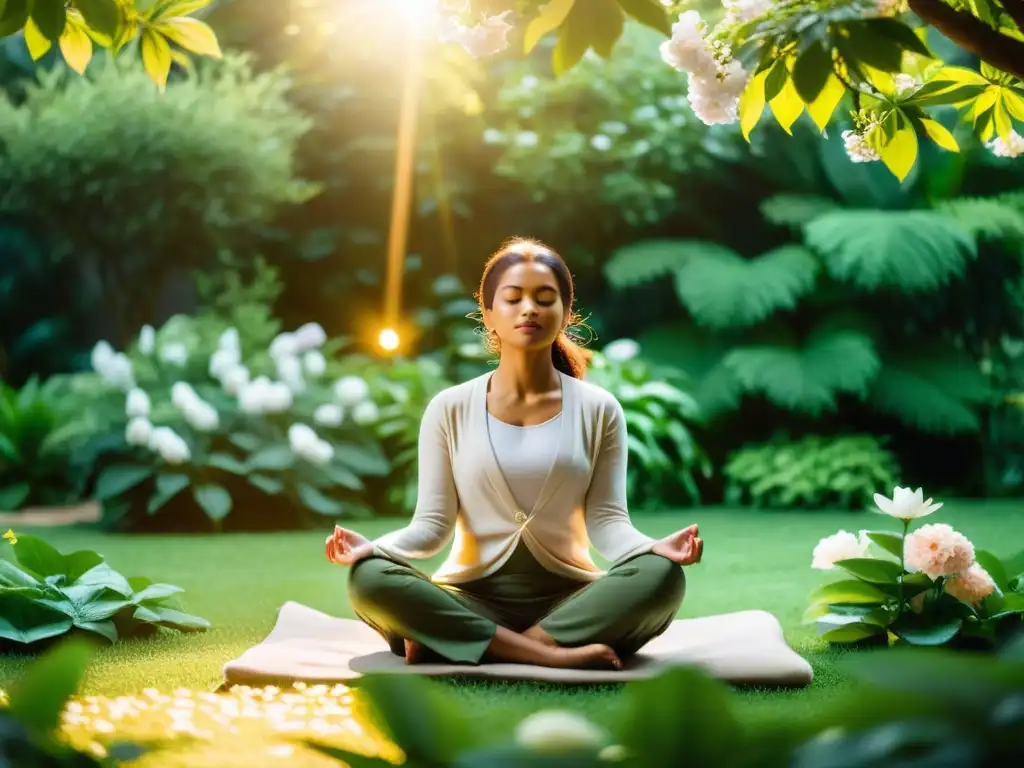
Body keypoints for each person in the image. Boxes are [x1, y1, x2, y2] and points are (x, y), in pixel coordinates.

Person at [325, 237, 704, 671]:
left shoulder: (599, 410)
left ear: (564, 313)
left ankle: (464, 642)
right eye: (513, 298)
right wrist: (373, 549)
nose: (530, 309)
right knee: (370, 577)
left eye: (546, 298)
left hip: (571, 602)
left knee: (661, 577)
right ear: (488, 314)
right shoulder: (449, 409)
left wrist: (654, 548)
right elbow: (430, 527)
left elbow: (607, 524)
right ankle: (546, 654)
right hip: (470, 599)